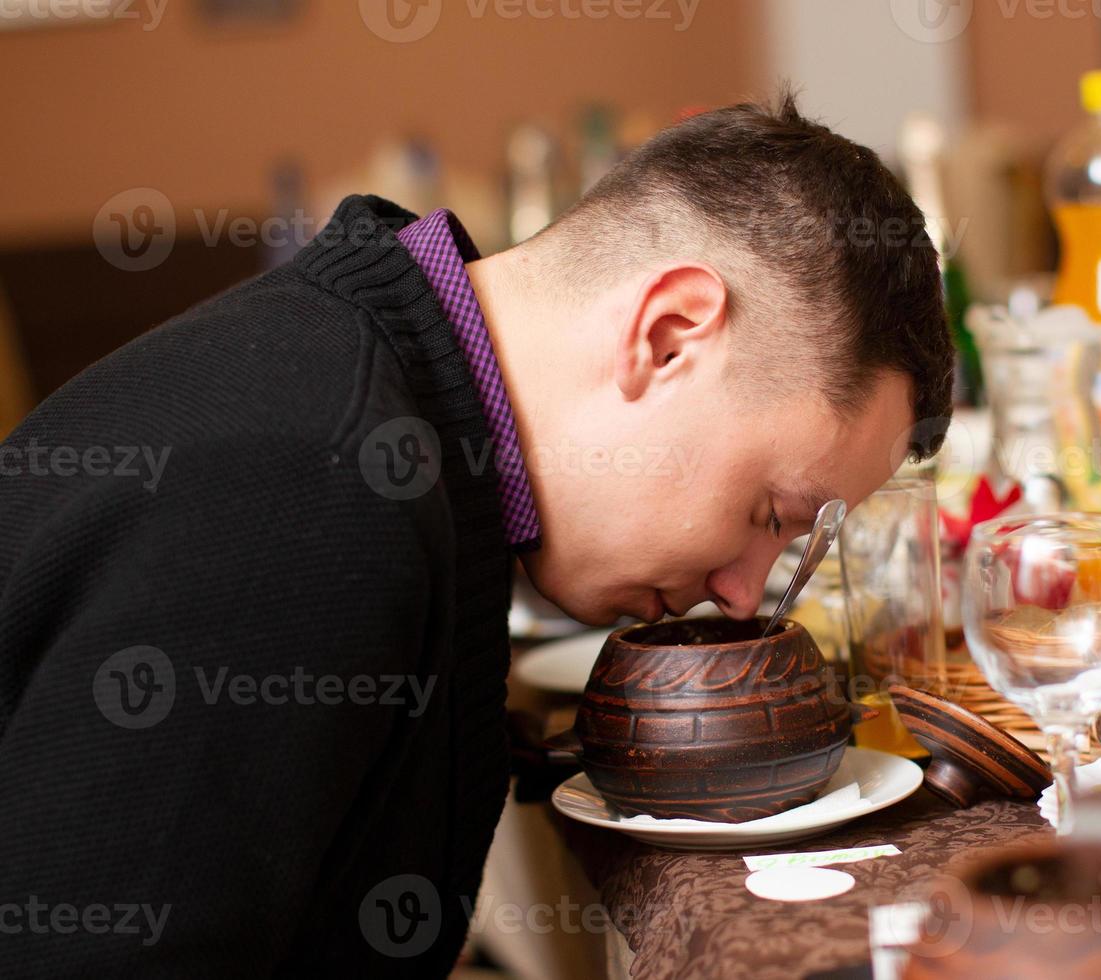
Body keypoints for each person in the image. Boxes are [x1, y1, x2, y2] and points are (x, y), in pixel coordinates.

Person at [0, 93, 952, 976]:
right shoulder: (313, 493)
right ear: (667, 337)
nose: (744, 595)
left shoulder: (377, 403)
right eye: (770, 517)